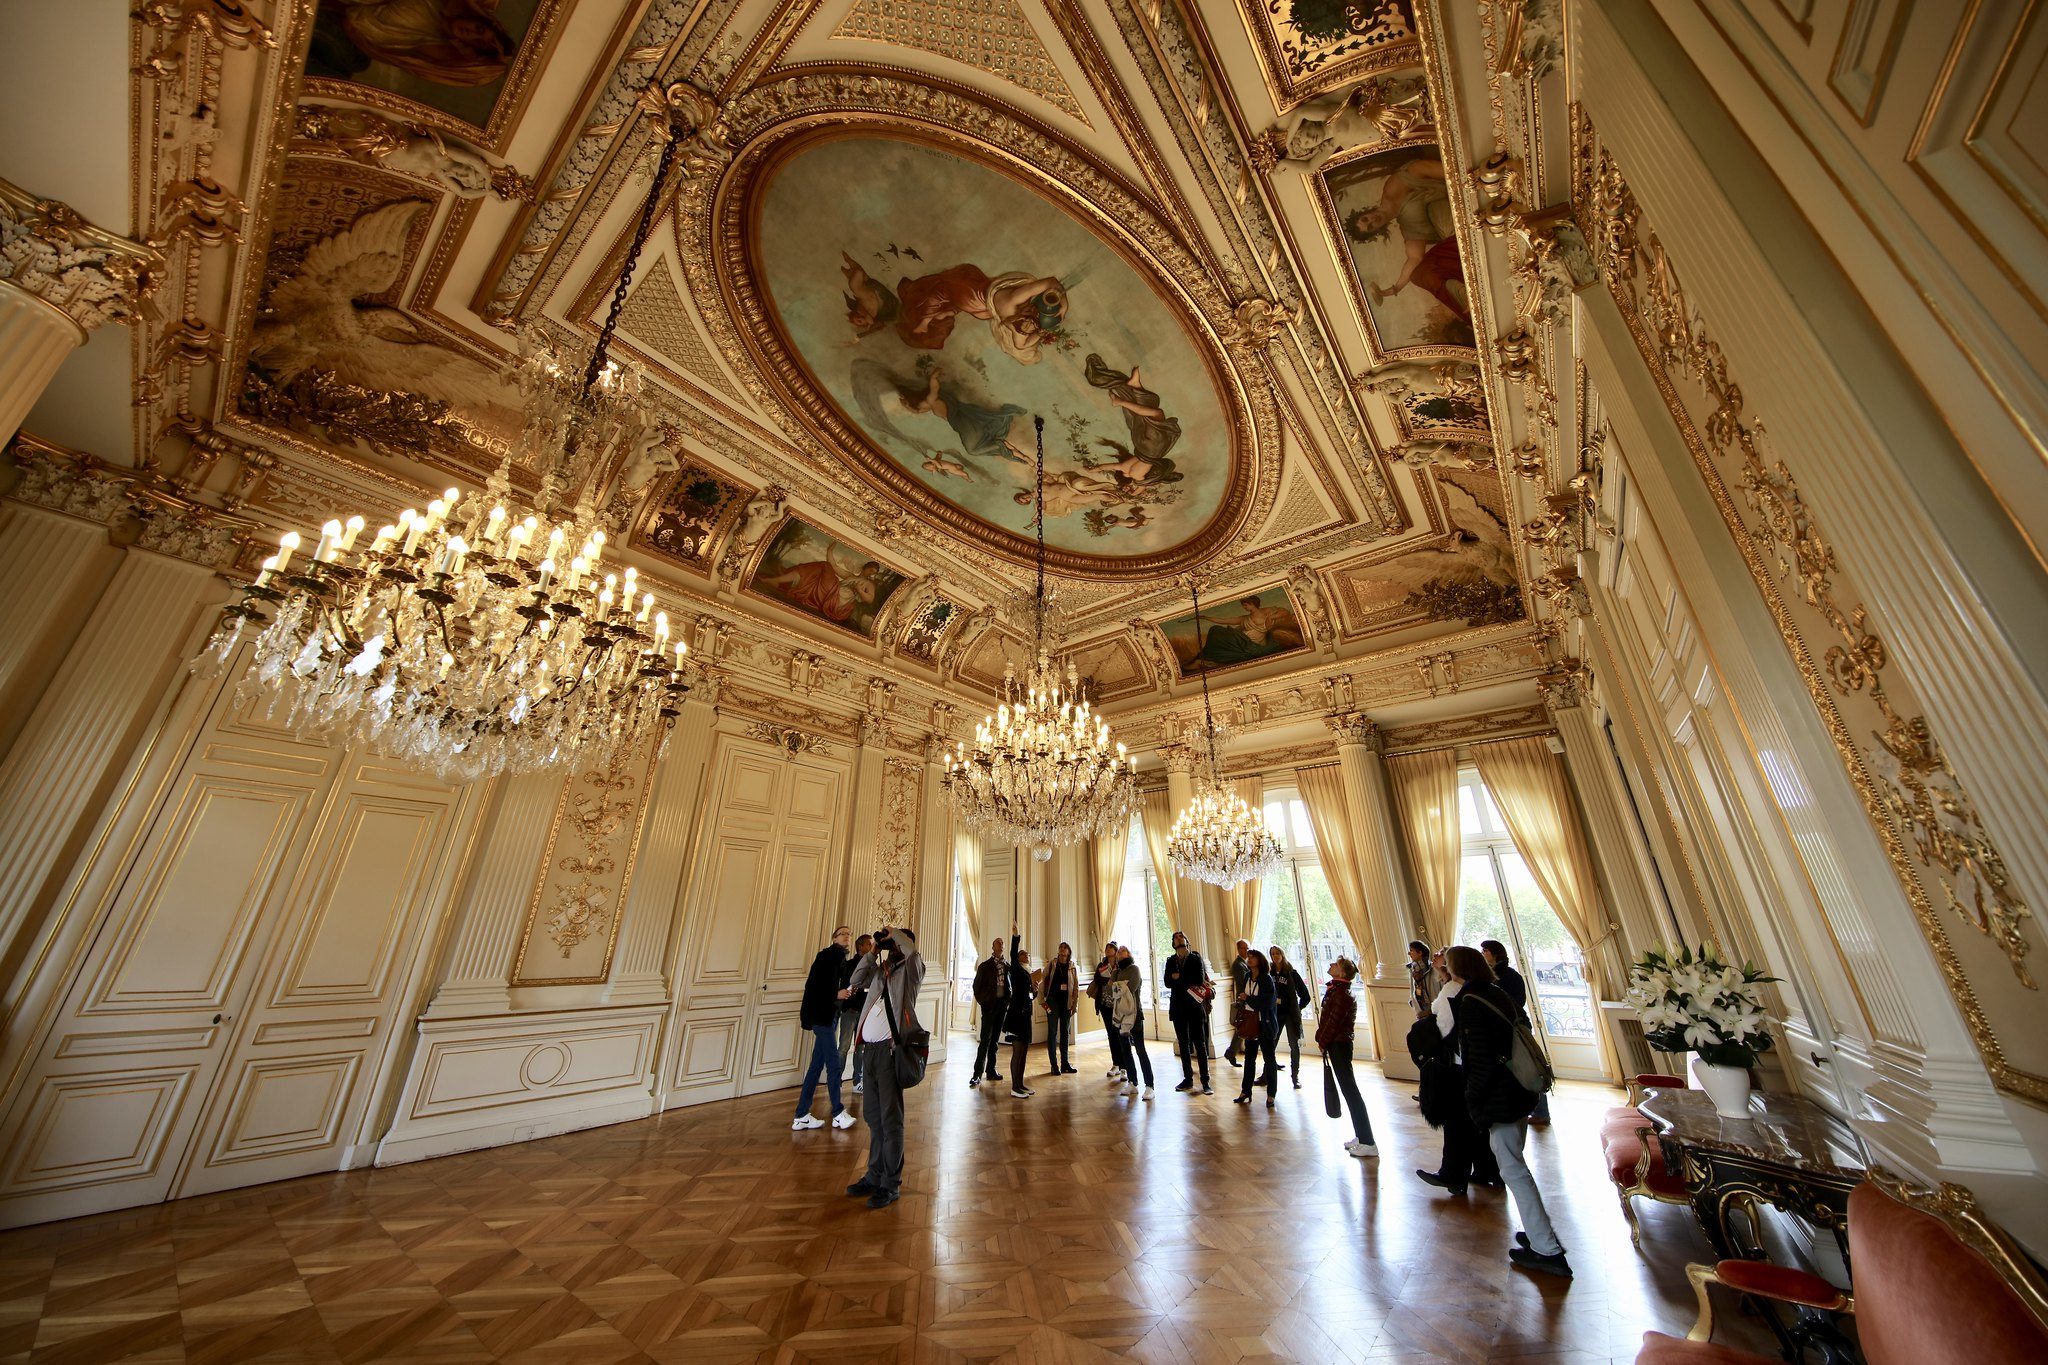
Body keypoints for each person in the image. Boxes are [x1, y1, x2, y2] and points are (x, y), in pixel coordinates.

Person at [1444, 945, 1570, 1277]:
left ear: (1457, 969)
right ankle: (1538, 1232)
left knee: (1513, 1170)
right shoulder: (1496, 993)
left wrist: (1473, 1101)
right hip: (1517, 1091)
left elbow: (1481, 1059)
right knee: (1515, 1164)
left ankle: (1548, 1249)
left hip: (1499, 1097)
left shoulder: (1471, 1002)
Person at [841, 926, 924, 1210]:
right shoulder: (882, 970)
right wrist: (873, 952)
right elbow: (855, 980)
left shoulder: (911, 971)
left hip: (890, 1055)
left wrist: (894, 933)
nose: (892, 945)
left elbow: (912, 952)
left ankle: (890, 1184)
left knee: (890, 1121)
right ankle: (873, 1175)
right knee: (874, 1119)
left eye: (895, 942)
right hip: (869, 1053)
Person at [1415, 946, 1502, 1196]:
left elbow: (1442, 1025)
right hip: (1486, 1066)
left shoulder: (1454, 990)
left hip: (1460, 1065)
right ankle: (1487, 1170)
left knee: (1456, 1122)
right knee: (1477, 1121)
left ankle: (1452, 1175)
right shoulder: (1490, 989)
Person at [1481, 939, 1551, 1126]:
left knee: (1527, 1067)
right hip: (1503, 1027)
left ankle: (1541, 1112)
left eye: (1485, 950)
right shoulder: (1488, 976)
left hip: (1515, 1026)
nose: (1482, 953)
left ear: (1495, 953)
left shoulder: (1509, 976)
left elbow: (1516, 1002)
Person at [795, 928, 857, 1131]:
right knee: (833, 1064)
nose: (847, 935)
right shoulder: (826, 956)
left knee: (816, 1066)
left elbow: (835, 986)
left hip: (830, 1016)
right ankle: (838, 1113)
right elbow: (814, 986)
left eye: (849, 933)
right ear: (834, 938)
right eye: (842, 933)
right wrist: (836, 993)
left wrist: (846, 991)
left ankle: (801, 1115)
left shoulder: (840, 959)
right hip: (822, 1017)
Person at [1316, 957, 1377, 1157]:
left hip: (1339, 1045)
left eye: (1336, 964)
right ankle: (1361, 1136)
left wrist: (1322, 1041)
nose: (1331, 964)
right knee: (1348, 1090)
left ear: (1342, 973)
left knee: (1351, 1091)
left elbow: (1334, 1023)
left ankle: (1368, 1141)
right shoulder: (1337, 990)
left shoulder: (1341, 994)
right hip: (1336, 1044)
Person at [1161, 930, 1213, 1094]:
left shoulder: (1195, 958)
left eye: (1181, 936)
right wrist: (1179, 978)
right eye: (1175, 937)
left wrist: (1179, 977)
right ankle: (1188, 1079)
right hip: (1178, 1007)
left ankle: (1205, 1081)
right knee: (1183, 1044)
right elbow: (1167, 982)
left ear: (1186, 940)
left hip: (1194, 1007)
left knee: (1200, 1043)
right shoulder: (1171, 961)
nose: (1178, 939)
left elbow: (1198, 979)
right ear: (1173, 943)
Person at [1234, 949, 1282, 1108]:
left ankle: (1271, 1094)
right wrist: (1243, 1000)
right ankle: (1245, 1091)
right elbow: (1244, 996)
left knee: (1269, 1060)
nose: (1249, 959)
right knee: (1249, 1059)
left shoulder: (1266, 979)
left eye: (1252, 957)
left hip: (1265, 1024)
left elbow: (1266, 1003)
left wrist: (1248, 999)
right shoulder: (1248, 976)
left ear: (1260, 960)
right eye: (1248, 957)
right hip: (1250, 1024)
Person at [1110, 944, 1154, 1098]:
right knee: (1125, 1050)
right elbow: (1111, 989)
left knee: (1140, 1050)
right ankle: (1132, 1082)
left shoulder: (1134, 969)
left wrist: (1119, 987)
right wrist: (1118, 981)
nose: (1120, 953)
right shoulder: (1117, 971)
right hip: (1120, 1016)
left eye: (1123, 951)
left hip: (1135, 1014)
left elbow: (1130, 989)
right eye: (1119, 951)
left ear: (1128, 954)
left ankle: (1150, 1086)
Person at [1269, 946, 1312, 1089]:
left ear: (1282, 954)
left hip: (1289, 1014)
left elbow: (1305, 996)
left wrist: (1297, 1008)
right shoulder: (1270, 973)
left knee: (1294, 1045)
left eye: (1277, 953)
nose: (1275, 956)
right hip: (1275, 1014)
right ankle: (1266, 1074)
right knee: (1271, 1044)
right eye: (1273, 954)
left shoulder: (1291, 973)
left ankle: (1295, 1076)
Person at [970, 934, 1008, 1089]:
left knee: (995, 1041)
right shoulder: (985, 966)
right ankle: (977, 1074)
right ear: (993, 948)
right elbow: (976, 988)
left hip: (1002, 1006)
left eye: (1002, 942)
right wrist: (984, 1003)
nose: (1000, 944)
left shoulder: (1007, 965)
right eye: (997, 943)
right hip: (989, 1007)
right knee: (985, 1041)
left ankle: (991, 1070)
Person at [837, 932, 872, 1093]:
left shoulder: (872, 966)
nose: (871, 947)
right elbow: (846, 985)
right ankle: (836, 1080)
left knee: (860, 1048)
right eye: (868, 944)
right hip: (850, 1010)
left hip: (864, 1012)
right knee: (843, 1047)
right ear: (861, 946)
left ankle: (858, 1081)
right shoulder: (850, 964)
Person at [1003, 929, 1036, 1098]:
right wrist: (1016, 936)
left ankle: (1021, 1084)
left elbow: (1029, 996)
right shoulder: (1015, 969)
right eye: (1024, 954)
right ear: (1018, 958)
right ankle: (1014, 1087)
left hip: (1025, 1017)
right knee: (1017, 1052)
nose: (1027, 955)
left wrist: (1034, 991)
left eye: (1028, 954)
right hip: (1016, 1017)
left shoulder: (1027, 973)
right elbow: (1012, 951)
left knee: (1024, 1052)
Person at [1042, 942, 1080, 1075]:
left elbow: (1075, 987)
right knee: (1052, 1032)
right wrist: (1042, 1000)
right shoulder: (1052, 964)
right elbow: (1042, 979)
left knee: (1065, 1032)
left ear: (1069, 952)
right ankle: (1054, 1065)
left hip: (1066, 1003)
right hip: (1052, 1002)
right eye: (1060, 948)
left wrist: (1075, 1005)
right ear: (1058, 951)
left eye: (1065, 948)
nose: (1062, 950)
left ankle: (1065, 1063)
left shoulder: (1072, 967)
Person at [1093, 943, 1128, 1084]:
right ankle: (1116, 1064)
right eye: (1106, 948)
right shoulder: (1102, 965)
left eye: (1111, 948)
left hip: (1118, 1004)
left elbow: (1122, 981)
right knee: (1111, 1034)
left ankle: (1125, 1067)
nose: (1108, 950)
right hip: (1105, 1004)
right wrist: (1108, 980)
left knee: (1120, 1034)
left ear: (1115, 951)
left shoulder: (1120, 966)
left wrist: (1110, 980)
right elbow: (1097, 979)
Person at [1222, 939, 1251, 1067]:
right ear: (1239, 949)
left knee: (1242, 1029)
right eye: (1244, 948)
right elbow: (1244, 983)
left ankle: (1231, 1052)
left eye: (1248, 948)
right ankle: (1231, 1052)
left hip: (1247, 999)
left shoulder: (1245, 963)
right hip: (1244, 1000)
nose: (1247, 951)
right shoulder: (1238, 965)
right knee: (1241, 1028)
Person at [1407, 940, 1439, 1016]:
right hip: (1421, 1012)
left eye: (1411, 951)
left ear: (1420, 953)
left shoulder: (1434, 969)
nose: (1409, 953)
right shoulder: (1412, 970)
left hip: (1435, 1012)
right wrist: (1413, 1002)